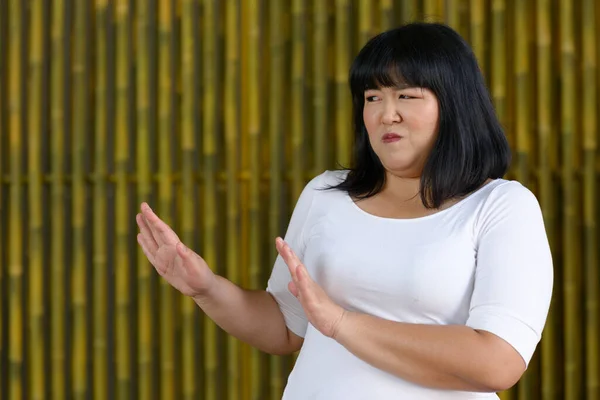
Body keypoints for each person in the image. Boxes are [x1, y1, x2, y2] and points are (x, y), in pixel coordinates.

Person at [136, 22, 553, 399]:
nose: (386, 113)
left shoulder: (501, 206)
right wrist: (205, 286)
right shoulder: (325, 193)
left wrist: (340, 324)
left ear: (455, 105)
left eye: (406, 95)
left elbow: (498, 362)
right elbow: (285, 327)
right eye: (373, 97)